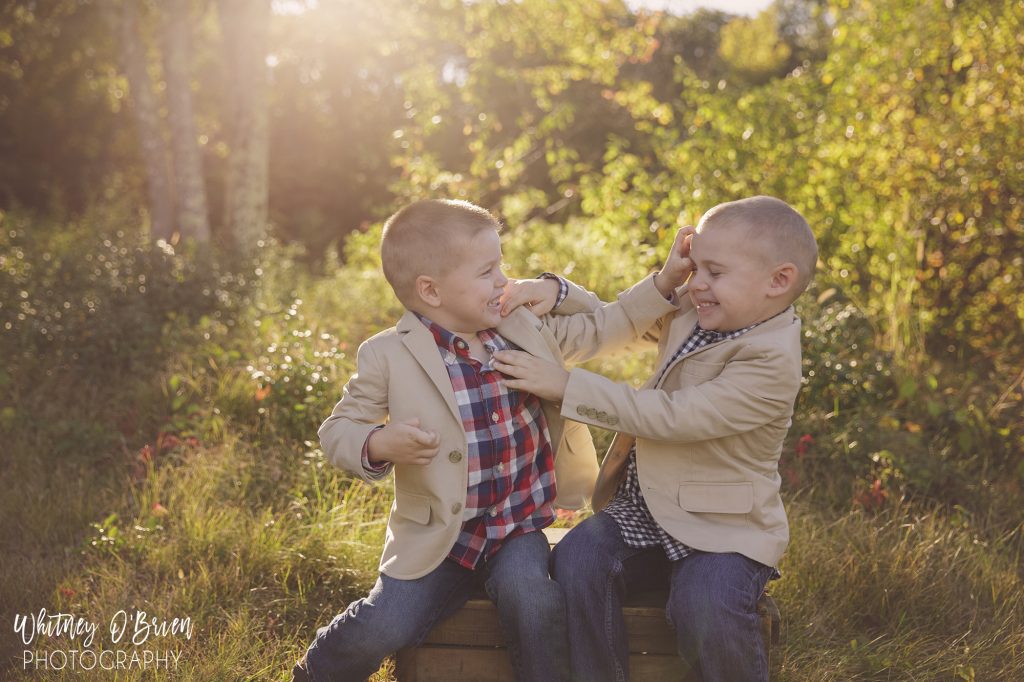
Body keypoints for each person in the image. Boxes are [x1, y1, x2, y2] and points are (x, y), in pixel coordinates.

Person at [293, 198, 693, 682]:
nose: (504, 279)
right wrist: (379, 443)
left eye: (500, 264)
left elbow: (607, 324)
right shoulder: (387, 355)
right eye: (487, 271)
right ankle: (316, 672)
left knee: (536, 601)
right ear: (431, 290)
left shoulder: (520, 326)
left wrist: (663, 282)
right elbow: (338, 431)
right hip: (440, 537)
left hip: (515, 526)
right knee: (386, 621)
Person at [493, 195, 818, 681]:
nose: (698, 283)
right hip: (647, 505)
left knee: (704, 605)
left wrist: (566, 386)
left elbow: (672, 416)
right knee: (579, 560)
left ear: (779, 281)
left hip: (723, 527)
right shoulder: (698, 307)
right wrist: (563, 291)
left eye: (714, 271)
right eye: (695, 266)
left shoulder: (771, 362)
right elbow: (622, 319)